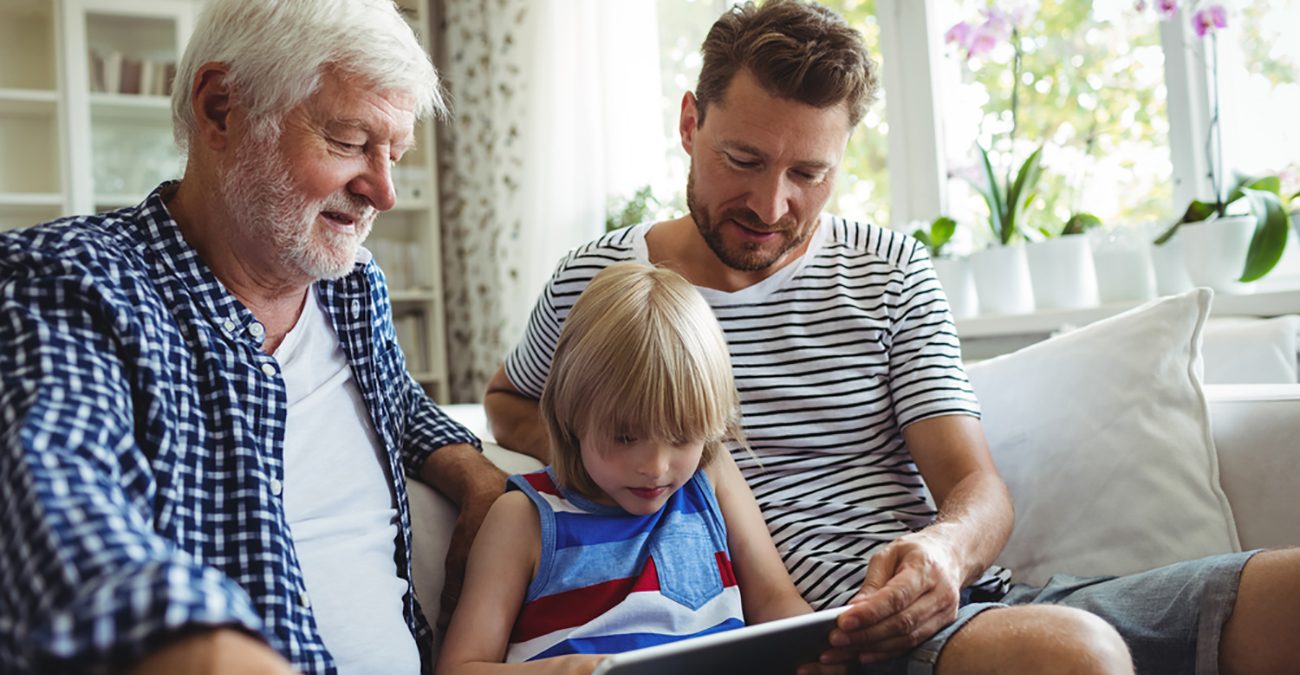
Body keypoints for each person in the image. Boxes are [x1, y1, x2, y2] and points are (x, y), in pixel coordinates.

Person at [483, 1, 1300, 674]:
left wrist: (945, 553)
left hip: (978, 608)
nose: (771, 206)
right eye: (743, 158)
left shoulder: (890, 270)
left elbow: (977, 488)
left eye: (808, 173)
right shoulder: (605, 281)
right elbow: (509, 402)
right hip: (839, 636)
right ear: (691, 123)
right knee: (1075, 655)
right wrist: (620, 448)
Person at [0, 0, 505, 673]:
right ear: (220, 110)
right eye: (351, 140)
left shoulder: (353, 286)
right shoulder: (67, 282)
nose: (383, 191)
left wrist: (476, 476)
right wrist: (203, 650)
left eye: (396, 153)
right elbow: (58, 508)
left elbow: (399, 405)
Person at [438, 262, 815, 674]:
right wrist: (572, 671)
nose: (655, 467)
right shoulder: (524, 519)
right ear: (572, 416)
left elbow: (775, 601)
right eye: (624, 438)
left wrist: (816, 651)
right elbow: (460, 667)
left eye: (681, 437)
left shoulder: (713, 476)